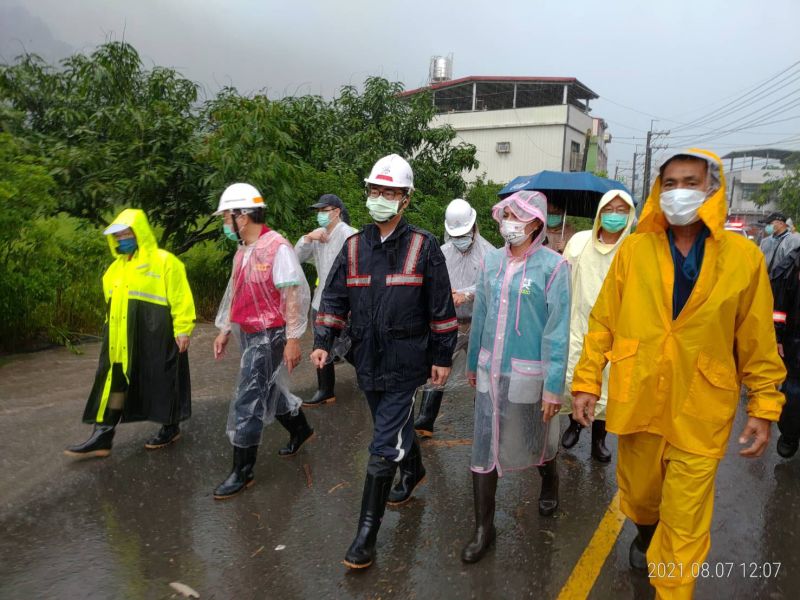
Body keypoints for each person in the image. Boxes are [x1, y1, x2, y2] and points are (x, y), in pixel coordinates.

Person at [571, 149, 785, 599]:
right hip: (639, 397)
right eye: (669, 184)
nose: (679, 192)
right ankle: (646, 531)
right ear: (656, 191)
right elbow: (603, 321)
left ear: (712, 188)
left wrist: (764, 405)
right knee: (641, 495)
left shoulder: (743, 258)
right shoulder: (634, 250)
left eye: (690, 181)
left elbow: (757, 338)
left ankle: (671, 585)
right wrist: (587, 380)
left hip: (701, 407)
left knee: (685, 522)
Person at [310, 154, 457, 570]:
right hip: (366, 358)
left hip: (407, 360)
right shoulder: (354, 246)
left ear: (405, 200)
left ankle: (365, 535)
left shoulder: (423, 246)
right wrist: (324, 339)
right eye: (376, 191)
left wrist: (442, 356)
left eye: (390, 192)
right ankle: (414, 470)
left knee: (380, 448)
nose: (381, 198)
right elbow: (335, 297)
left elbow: (441, 307)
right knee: (390, 428)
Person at [461, 190, 570, 564]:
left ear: (536, 222)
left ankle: (549, 478)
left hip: (529, 374)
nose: (508, 222)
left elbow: (557, 331)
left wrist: (554, 386)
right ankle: (483, 528)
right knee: (485, 444)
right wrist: (474, 363)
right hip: (492, 369)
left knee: (532, 436)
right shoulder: (491, 262)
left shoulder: (553, 267)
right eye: (505, 214)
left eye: (516, 215)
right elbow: (482, 317)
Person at [65, 209, 195, 458]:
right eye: (117, 236)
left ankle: (170, 426)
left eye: (125, 234)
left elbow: (181, 298)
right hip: (120, 339)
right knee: (116, 386)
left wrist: (183, 328)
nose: (121, 239)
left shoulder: (165, 261)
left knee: (162, 379)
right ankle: (103, 434)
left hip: (156, 334)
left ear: (139, 233)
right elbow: (110, 306)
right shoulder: (114, 270)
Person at [211, 183, 313, 500]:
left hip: (270, 334)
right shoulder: (242, 250)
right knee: (266, 387)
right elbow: (235, 290)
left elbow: (292, 294)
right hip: (248, 332)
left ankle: (243, 470)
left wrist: (293, 339)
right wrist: (225, 328)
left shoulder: (276, 247)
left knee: (249, 397)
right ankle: (300, 429)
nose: (225, 222)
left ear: (242, 215)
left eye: (227, 216)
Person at [560, 190, 636, 462]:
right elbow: (563, 279)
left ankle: (599, 440)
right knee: (575, 379)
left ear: (630, 216)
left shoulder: (634, 248)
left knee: (607, 387)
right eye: (609, 209)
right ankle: (574, 424)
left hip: (615, 331)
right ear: (600, 212)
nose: (614, 215)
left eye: (621, 210)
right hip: (579, 324)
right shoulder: (580, 242)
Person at [414, 198, 495, 437]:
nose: (461, 238)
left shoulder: (490, 253)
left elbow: (493, 285)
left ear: (474, 227)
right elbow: (429, 282)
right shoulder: (441, 252)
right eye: (456, 234)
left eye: (465, 233)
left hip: (480, 322)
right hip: (449, 324)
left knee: (485, 372)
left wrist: (467, 294)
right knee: (439, 367)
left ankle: (485, 421)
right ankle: (425, 420)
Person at [294, 194, 357, 407]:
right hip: (320, 301)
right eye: (318, 211)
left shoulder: (349, 234)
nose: (321, 214)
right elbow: (296, 257)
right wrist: (307, 238)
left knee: (351, 345)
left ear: (337, 211)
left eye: (325, 210)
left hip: (343, 303)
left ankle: (373, 379)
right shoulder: (319, 236)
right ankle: (325, 389)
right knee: (321, 346)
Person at [770, 244, 800, 458]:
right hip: (796, 343)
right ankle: (790, 434)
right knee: (794, 393)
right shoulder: (795, 262)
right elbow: (780, 304)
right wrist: (778, 336)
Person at [759, 211, 800, 277]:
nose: (767, 226)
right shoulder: (765, 241)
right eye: (767, 224)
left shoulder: (793, 240)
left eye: (770, 224)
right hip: (766, 280)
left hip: (785, 282)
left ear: (781, 224)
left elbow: (792, 264)